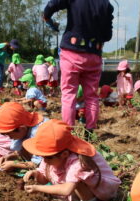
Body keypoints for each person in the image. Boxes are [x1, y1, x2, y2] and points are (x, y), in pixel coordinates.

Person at [22, 120, 121, 201]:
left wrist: (38, 188)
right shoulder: (51, 157)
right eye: (42, 156)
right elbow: (44, 178)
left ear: (64, 154)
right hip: (85, 191)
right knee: (58, 173)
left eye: (47, 157)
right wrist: (36, 174)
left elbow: (66, 190)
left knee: (78, 180)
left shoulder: (78, 161)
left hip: (103, 192)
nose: (44, 160)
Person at [43, 0, 113, 132]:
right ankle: (90, 131)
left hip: (72, 52)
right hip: (94, 55)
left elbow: (52, 5)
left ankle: (68, 132)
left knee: (69, 94)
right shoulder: (106, 4)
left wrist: (47, 16)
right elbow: (107, 35)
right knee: (92, 96)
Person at [0, 102, 50, 171]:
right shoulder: (26, 123)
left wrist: (14, 163)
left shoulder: (38, 135)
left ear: (21, 129)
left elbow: (37, 164)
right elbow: (19, 149)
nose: (8, 137)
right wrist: (10, 155)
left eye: (8, 134)